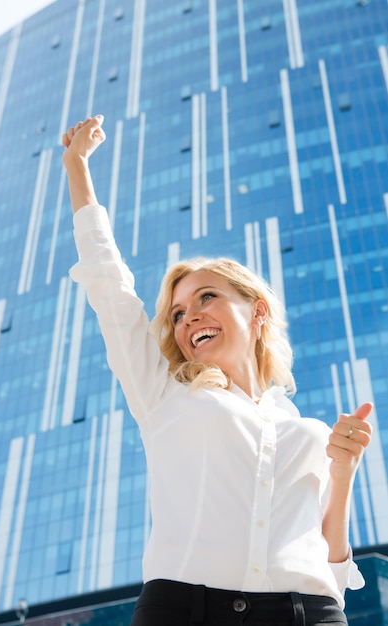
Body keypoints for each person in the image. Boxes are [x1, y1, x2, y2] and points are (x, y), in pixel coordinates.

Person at [62, 115, 372, 626]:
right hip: (183, 610)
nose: (190, 317)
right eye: (179, 314)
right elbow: (108, 284)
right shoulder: (163, 394)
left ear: (257, 312)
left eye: (208, 297)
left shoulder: (305, 429)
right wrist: (77, 166)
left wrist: (342, 476)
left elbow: (330, 565)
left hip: (308, 613)